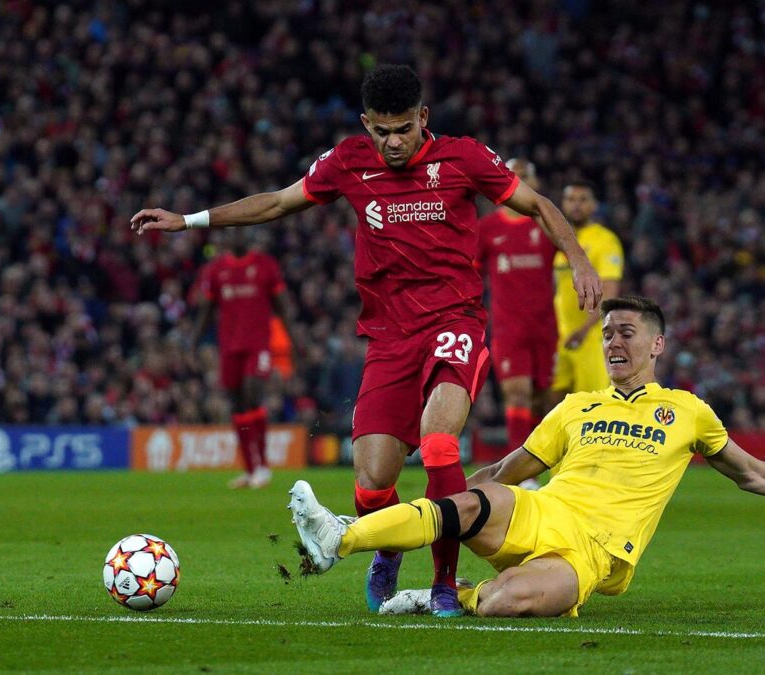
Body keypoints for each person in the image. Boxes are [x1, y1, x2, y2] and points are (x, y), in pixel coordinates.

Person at [131, 64, 602, 616]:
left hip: (454, 321)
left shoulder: (464, 157)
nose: (393, 142)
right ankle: (387, 549)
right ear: (365, 125)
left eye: (403, 128)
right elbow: (278, 203)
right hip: (389, 338)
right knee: (373, 481)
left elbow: (539, 205)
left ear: (423, 118)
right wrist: (188, 221)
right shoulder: (348, 161)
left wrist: (578, 257)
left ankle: (445, 584)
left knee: (439, 444)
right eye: (381, 131)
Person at [289, 296, 765, 618]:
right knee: (473, 501)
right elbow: (507, 472)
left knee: (512, 601)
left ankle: (447, 596)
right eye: (607, 333)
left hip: (596, 550)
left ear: (657, 344)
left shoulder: (688, 410)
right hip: (541, 512)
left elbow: (752, 473)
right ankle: (339, 536)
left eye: (625, 332)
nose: (613, 341)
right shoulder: (576, 407)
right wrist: (450, 503)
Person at [190, 228, 296, 489]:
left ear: (247, 237)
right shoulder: (216, 270)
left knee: (251, 393)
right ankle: (250, 470)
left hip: (258, 344)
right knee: (236, 404)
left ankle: (262, 466)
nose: (235, 237)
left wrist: (294, 338)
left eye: (240, 232)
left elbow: (282, 305)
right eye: (230, 233)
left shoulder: (265, 265)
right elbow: (206, 309)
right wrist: (193, 342)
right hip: (229, 347)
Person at [476, 158, 556, 482]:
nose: (521, 181)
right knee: (517, 394)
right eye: (515, 176)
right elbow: (471, 272)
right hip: (509, 327)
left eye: (527, 176)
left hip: (546, 326)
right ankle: (521, 473)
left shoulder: (547, 225)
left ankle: (537, 460)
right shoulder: (488, 228)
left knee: (542, 399)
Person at [550, 181, 623, 404]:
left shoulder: (605, 240)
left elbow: (609, 294)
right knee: (553, 406)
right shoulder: (563, 242)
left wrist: (583, 331)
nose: (576, 206)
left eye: (583, 200)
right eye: (571, 200)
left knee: (592, 407)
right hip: (562, 338)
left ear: (594, 205)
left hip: (591, 338)